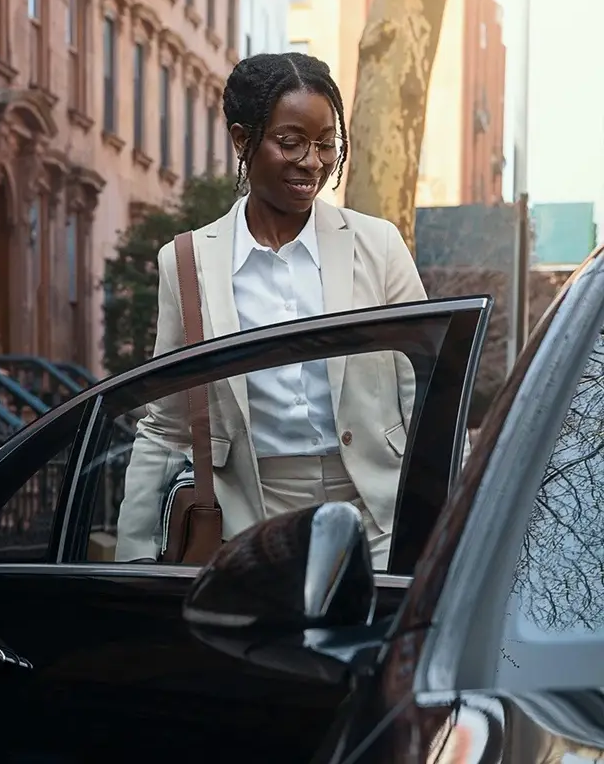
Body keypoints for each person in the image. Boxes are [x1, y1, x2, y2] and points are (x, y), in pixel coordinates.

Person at [114, 52, 430, 570]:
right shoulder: (187, 263)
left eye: (327, 143)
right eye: (290, 142)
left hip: (379, 515)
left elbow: (425, 388)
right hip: (253, 525)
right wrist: (128, 563)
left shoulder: (379, 245)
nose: (313, 162)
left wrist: (458, 513)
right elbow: (167, 426)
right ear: (242, 140)